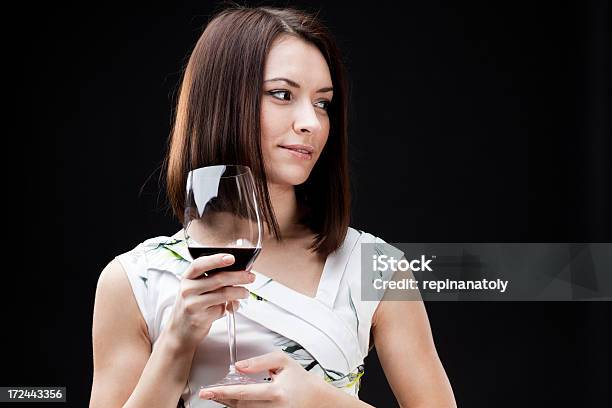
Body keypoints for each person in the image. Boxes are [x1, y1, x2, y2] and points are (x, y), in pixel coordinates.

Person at [90, 5, 456, 408]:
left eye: (322, 103)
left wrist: (324, 402)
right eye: (283, 95)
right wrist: (176, 344)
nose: (311, 123)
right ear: (220, 102)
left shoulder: (374, 267)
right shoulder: (137, 279)